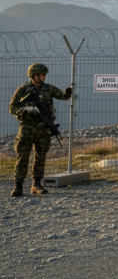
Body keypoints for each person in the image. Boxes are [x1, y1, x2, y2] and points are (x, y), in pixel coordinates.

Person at [8, 63, 71, 197]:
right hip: (27, 128)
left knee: (40, 157)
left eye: (44, 74)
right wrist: (24, 111)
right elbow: (12, 108)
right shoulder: (23, 90)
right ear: (34, 75)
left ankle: (36, 185)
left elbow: (63, 96)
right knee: (23, 157)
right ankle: (18, 186)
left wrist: (67, 93)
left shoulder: (48, 89)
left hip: (43, 129)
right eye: (42, 75)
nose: (44, 77)